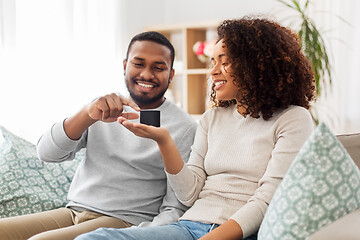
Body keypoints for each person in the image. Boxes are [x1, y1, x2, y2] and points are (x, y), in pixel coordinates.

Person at [75, 17, 316, 240]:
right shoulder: (212, 118)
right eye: (213, 62)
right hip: (188, 227)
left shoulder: (293, 118)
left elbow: (267, 201)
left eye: (225, 62)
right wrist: (164, 141)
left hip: (238, 232)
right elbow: (189, 194)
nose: (213, 71)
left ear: (256, 64)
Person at [0, 31, 197, 240]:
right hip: (73, 211)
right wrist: (86, 114)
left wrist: (143, 235)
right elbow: (46, 153)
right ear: (124, 66)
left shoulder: (184, 128)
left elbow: (176, 206)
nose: (147, 74)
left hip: (124, 221)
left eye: (158, 68)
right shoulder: (102, 107)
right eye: (138, 64)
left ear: (171, 75)